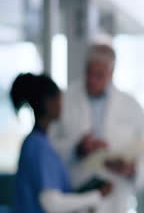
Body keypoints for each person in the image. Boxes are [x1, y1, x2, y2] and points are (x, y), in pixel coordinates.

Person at [49, 44, 144, 213]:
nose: (91, 79)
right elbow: (50, 146)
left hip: (115, 198)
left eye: (99, 75)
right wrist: (77, 149)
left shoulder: (131, 106)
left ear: (111, 74)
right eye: (89, 72)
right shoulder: (64, 100)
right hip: (75, 195)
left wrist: (132, 169)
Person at [10, 73, 112, 213]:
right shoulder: (38, 146)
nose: (61, 104)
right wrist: (95, 196)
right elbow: (51, 204)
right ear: (48, 101)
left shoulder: (37, 142)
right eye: (59, 98)